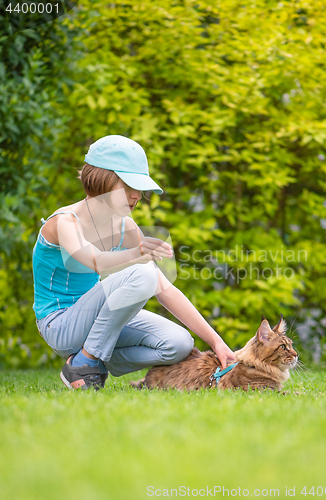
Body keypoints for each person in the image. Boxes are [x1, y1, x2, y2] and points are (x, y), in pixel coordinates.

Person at [33, 135, 235, 390]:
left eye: (139, 189)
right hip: (60, 324)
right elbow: (95, 262)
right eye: (129, 186)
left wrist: (216, 342)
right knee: (143, 274)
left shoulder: (125, 227)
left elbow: (165, 290)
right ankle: (84, 363)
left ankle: (92, 360)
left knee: (179, 343)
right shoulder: (63, 222)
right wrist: (137, 255)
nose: (137, 196)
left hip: (95, 323)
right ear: (102, 180)